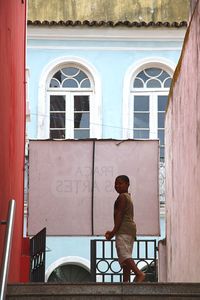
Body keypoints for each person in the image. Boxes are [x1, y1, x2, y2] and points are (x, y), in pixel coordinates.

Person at [105, 175, 145, 283]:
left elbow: (119, 214)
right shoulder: (128, 197)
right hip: (129, 230)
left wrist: (113, 232)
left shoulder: (122, 197)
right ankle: (126, 281)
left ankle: (139, 273)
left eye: (120, 183)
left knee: (124, 255)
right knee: (126, 257)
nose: (117, 185)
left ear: (127, 184)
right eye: (115, 183)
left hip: (124, 230)